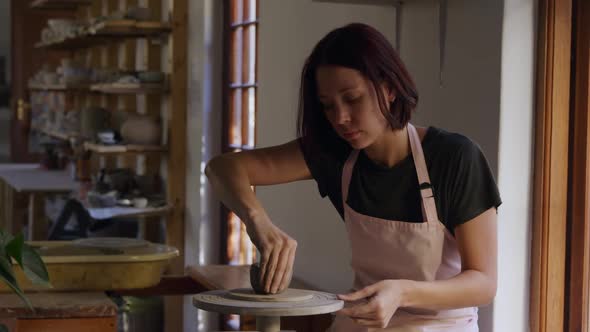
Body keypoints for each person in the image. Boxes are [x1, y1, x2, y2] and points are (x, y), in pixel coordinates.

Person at [205, 22, 501, 332]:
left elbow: (483, 282)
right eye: (328, 106)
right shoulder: (335, 153)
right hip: (359, 324)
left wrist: (401, 292)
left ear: (388, 88)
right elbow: (222, 168)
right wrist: (258, 223)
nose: (340, 118)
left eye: (352, 98)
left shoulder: (454, 157)